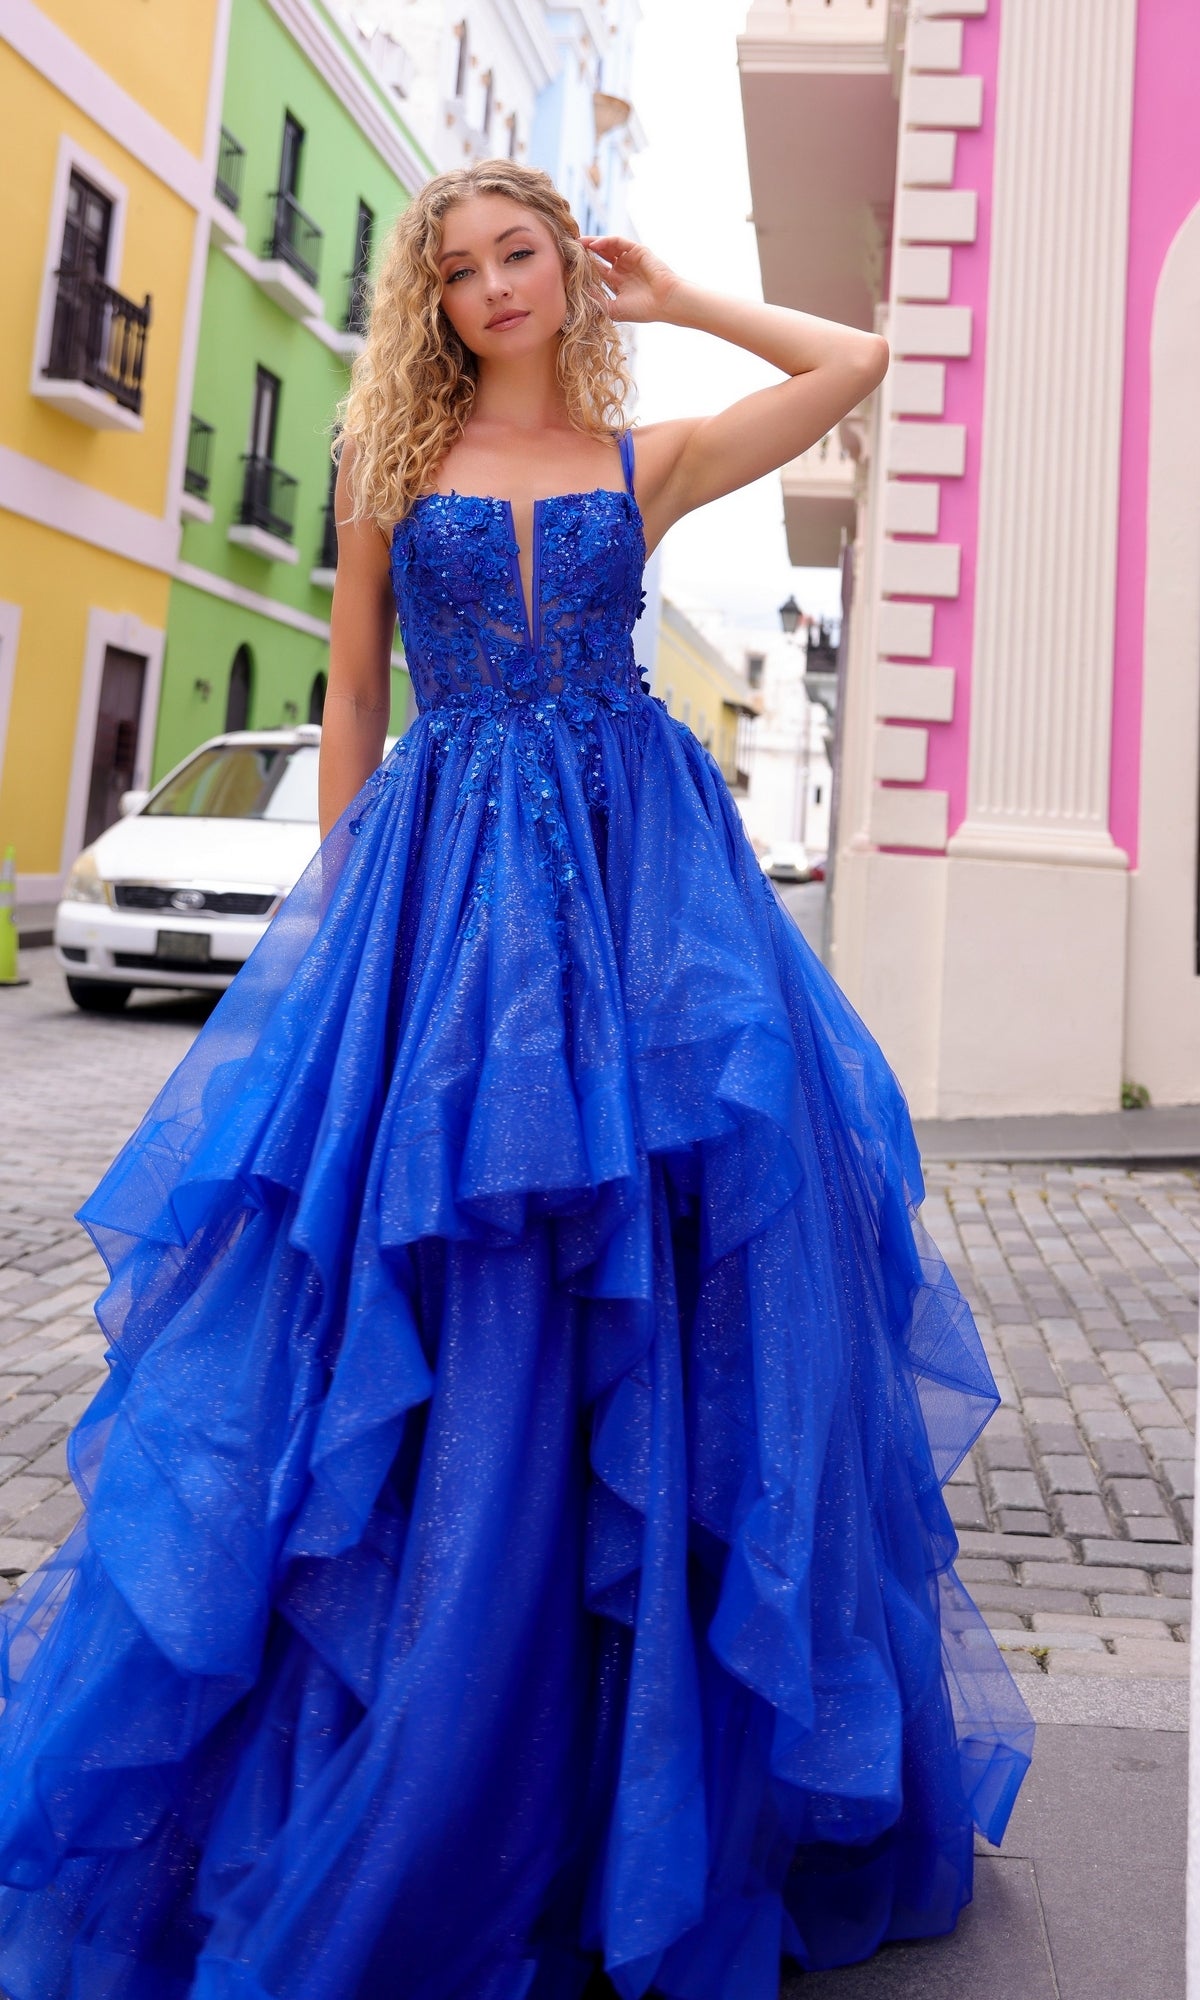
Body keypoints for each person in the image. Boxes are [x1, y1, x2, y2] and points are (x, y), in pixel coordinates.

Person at [0, 162, 1032, 2000]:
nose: (493, 289)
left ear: (569, 263)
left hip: (648, 919)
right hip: (445, 904)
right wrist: (331, 953)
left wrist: (688, 299)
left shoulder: (648, 466)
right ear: (435, 300)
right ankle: (436, 1732)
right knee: (454, 1299)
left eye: (520, 255)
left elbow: (857, 357)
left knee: (667, 1290)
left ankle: (626, 1756)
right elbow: (348, 701)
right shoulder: (390, 468)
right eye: (461, 270)